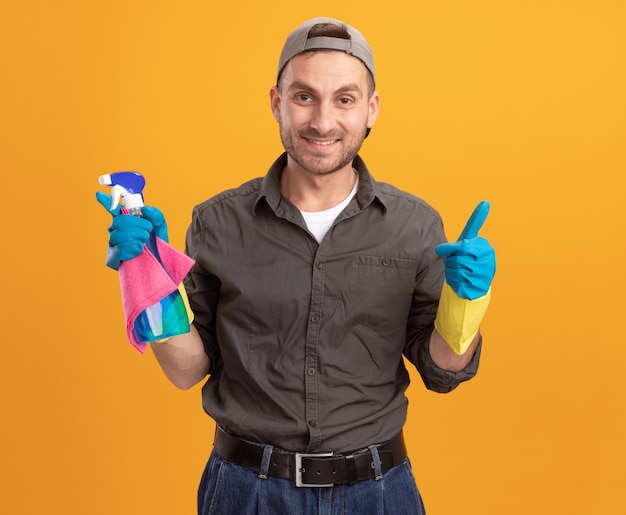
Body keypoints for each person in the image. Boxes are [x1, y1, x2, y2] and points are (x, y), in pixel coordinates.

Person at [97, 17, 496, 515]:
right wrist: (147, 275)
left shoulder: (414, 227)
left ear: (371, 110)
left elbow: (443, 370)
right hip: (246, 493)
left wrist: (467, 301)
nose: (323, 122)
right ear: (276, 102)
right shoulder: (217, 222)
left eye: (345, 99)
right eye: (304, 96)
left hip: (378, 494)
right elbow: (188, 370)